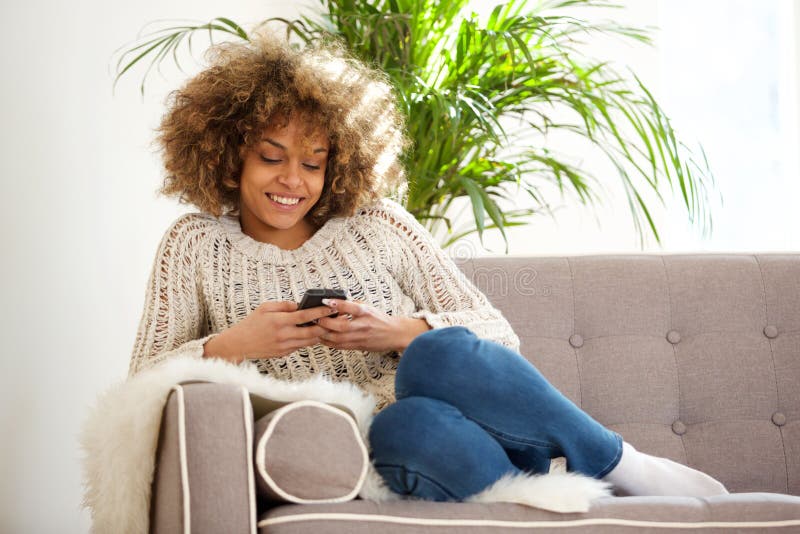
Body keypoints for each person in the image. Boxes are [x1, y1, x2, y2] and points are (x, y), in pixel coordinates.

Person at [128, 31, 729, 502]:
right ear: (229, 155)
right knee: (405, 427)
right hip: (393, 445)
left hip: (476, 416)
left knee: (437, 351)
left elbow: (498, 336)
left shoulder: (379, 222)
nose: (293, 181)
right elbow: (139, 386)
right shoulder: (193, 244)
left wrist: (395, 332)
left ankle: (620, 462)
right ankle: (545, 496)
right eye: (271, 157)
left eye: (313, 163)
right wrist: (233, 344)